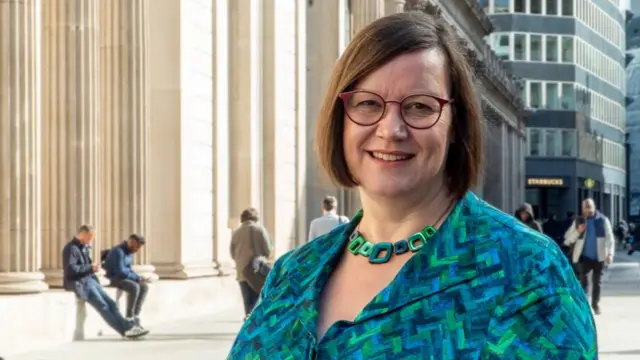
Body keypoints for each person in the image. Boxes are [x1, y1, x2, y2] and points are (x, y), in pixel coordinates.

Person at [229, 11, 596, 359]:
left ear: (456, 126)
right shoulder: (293, 272)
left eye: (420, 107)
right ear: (341, 119)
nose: (391, 130)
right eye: (368, 104)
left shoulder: (528, 274)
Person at [62, 225, 148, 339]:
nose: (91, 240)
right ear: (82, 234)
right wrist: (89, 268)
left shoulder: (83, 247)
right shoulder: (71, 248)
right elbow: (70, 271)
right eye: (90, 237)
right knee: (103, 306)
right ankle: (126, 330)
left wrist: (92, 269)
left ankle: (129, 327)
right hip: (80, 283)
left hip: (90, 280)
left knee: (111, 304)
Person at [563, 198, 615, 315]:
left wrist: (610, 253)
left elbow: (610, 238)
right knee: (583, 282)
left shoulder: (602, 220)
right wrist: (578, 231)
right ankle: (584, 305)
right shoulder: (579, 221)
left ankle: (595, 304)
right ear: (582, 209)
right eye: (586, 210)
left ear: (594, 207)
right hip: (583, 257)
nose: (588, 213)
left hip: (599, 257)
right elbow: (567, 239)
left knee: (597, 282)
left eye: (590, 210)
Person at [230, 207, 273, 321]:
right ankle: (255, 324)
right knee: (257, 299)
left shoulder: (236, 232)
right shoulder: (260, 230)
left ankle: (248, 320)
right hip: (256, 271)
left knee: (247, 300)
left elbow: (232, 253)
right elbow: (268, 249)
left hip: (242, 272)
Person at [103, 234, 150, 328]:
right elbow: (120, 272)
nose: (136, 249)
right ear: (130, 242)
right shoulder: (118, 251)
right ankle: (129, 318)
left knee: (144, 286)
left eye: (138, 248)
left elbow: (129, 269)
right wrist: (136, 278)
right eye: (135, 246)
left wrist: (139, 277)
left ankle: (135, 316)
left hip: (122, 277)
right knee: (134, 287)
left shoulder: (129, 252)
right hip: (113, 278)